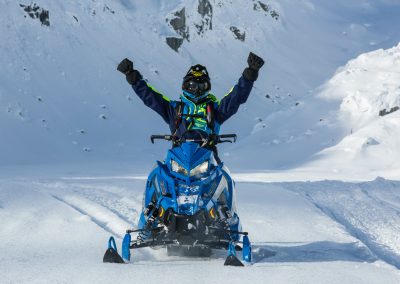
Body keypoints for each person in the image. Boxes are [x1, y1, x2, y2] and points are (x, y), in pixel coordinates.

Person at [117, 52, 264, 162]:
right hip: (179, 156)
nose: (197, 89)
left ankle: (225, 203)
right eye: (192, 85)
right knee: (159, 173)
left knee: (224, 177)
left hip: (207, 156)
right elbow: (151, 98)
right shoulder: (175, 108)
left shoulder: (215, 109)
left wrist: (249, 75)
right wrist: (133, 77)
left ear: (207, 87)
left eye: (201, 85)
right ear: (185, 86)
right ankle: (153, 203)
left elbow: (235, 98)